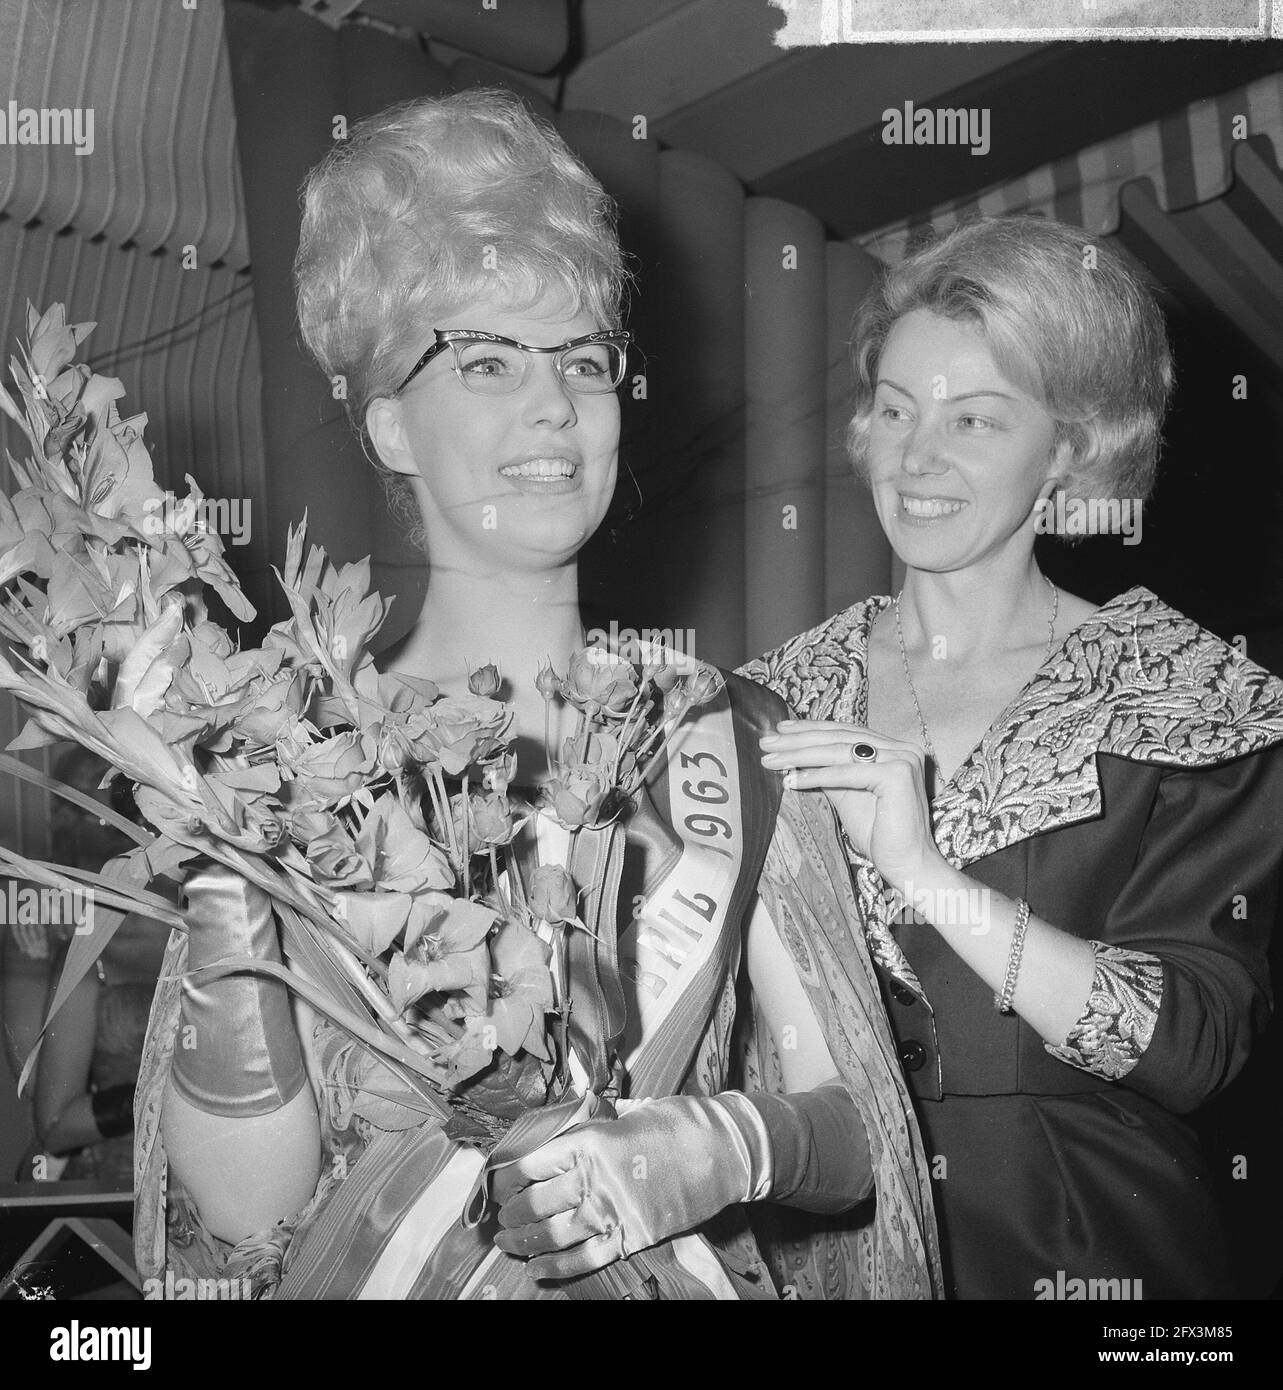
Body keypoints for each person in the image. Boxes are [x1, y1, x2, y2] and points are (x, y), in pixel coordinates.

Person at [132, 89, 940, 1301]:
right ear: (392, 423)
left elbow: (861, 1132)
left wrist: (716, 1146)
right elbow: (245, 1216)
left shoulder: (728, 731)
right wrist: (213, 848)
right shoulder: (288, 742)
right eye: (490, 361)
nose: (554, 404)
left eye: (583, 360)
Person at [744, 215, 1283, 1299]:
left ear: (1071, 451)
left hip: (1088, 1248)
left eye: (974, 420)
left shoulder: (1191, 695)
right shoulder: (768, 694)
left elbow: (1186, 1046)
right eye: (894, 409)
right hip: (816, 1248)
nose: (915, 456)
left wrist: (928, 880)